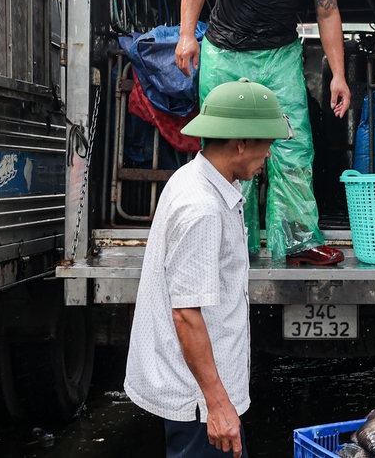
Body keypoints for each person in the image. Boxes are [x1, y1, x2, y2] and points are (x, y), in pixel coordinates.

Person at [175, 0, 348, 265]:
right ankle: (229, 243)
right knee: (226, 151)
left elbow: (328, 13)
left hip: (280, 57)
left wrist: (338, 74)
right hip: (225, 54)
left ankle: (301, 243)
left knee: (294, 148)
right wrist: (187, 35)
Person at [125, 78, 293, 458]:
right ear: (241, 143)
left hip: (204, 396)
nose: (269, 154)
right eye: (267, 143)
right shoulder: (202, 207)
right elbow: (186, 313)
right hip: (199, 402)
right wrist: (217, 404)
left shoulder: (195, 179)